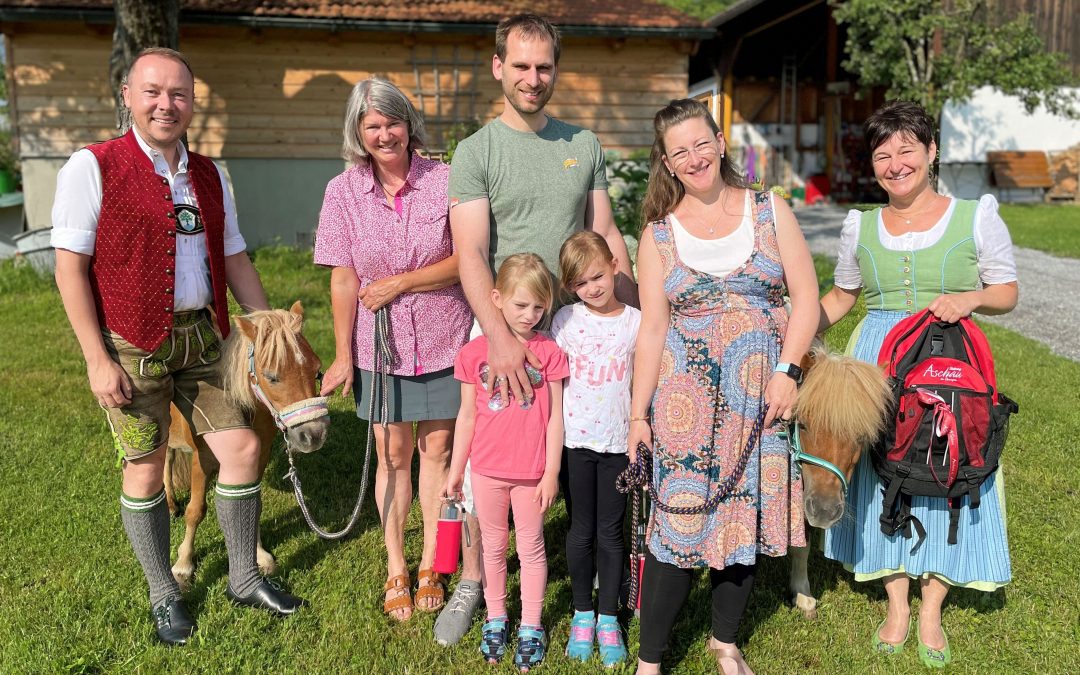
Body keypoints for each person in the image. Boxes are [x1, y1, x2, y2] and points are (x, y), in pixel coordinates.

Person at [51, 48, 306, 647]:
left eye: (179, 94)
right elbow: (70, 267)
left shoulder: (212, 174)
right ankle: (164, 592)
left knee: (241, 448)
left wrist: (268, 327)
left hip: (203, 336)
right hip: (131, 342)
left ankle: (243, 576)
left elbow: (235, 255)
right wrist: (95, 357)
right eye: (153, 92)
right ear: (127, 96)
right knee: (145, 464)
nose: (167, 104)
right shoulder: (93, 166)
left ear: (193, 103)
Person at [438, 12, 637, 646]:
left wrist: (633, 321)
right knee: (486, 460)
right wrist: (498, 337)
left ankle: (584, 578)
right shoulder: (476, 151)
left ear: (556, 70)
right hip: (501, 326)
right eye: (519, 66)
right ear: (498, 67)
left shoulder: (585, 143)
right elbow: (470, 251)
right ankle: (475, 579)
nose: (532, 77)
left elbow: (605, 236)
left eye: (543, 66)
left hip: (574, 325)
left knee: (572, 446)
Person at [820, 100, 1018, 669]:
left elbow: (1006, 290)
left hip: (948, 356)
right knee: (885, 474)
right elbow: (842, 298)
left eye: (907, 149)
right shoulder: (861, 223)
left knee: (949, 463)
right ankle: (898, 602)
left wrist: (972, 298)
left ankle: (933, 605)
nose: (895, 163)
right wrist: (791, 329)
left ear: (931, 153)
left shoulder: (974, 216)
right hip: (879, 360)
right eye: (883, 154)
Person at [627, 98, 819, 675]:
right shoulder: (657, 236)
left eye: (701, 143)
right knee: (677, 521)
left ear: (721, 142)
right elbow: (652, 329)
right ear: (666, 162)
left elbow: (807, 301)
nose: (694, 157)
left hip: (764, 397)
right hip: (685, 405)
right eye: (679, 150)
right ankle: (651, 659)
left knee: (745, 518)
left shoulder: (770, 210)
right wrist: (639, 415)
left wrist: (788, 372)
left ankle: (724, 641)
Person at [314, 78, 472, 622]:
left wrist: (403, 282)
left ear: (409, 125)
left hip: (444, 340)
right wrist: (340, 356)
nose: (384, 134)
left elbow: (467, 261)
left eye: (393, 122)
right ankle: (395, 566)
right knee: (392, 456)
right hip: (377, 351)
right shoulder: (342, 192)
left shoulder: (446, 181)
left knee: (438, 453)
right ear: (358, 132)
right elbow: (341, 281)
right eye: (372, 125)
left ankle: (431, 561)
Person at [442, 253, 569, 671]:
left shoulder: (548, 351)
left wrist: (551, 473)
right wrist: (457, 468)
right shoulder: (472, 354)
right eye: (520, 305)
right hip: (486, 472)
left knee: (532, 549)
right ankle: (496, 619)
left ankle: (532, 625)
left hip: (532, 476)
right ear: (495, 299)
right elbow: (466, 416)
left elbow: (554, 420)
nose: (530, 315)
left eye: (538, 307)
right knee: (493, 548)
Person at [550, 231, 640, 667]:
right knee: (580, 530)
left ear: (615, 266)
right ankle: (582, 613)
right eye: (582, 283)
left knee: (611, 532)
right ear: (570, 287)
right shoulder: (564, 321)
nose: (593, 288)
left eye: (599, 276)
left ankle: (608, 617)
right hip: (575, 444)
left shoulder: (636, 322)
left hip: (618, 444)